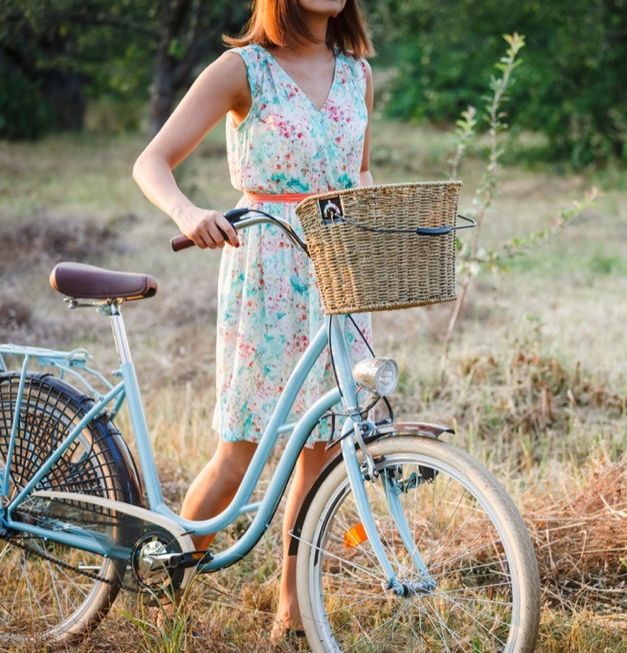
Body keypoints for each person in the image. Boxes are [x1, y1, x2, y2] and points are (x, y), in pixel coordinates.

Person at [132, 0, 374, 640]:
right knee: (241, 449)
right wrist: (188, 215)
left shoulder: (357, 74)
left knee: (320, 450)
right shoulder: (243, 70)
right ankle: (169, 584)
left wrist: (380, 214)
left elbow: (361, 171)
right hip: (266, 263)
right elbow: (150, 163)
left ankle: (291, 609)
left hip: (339, 265)